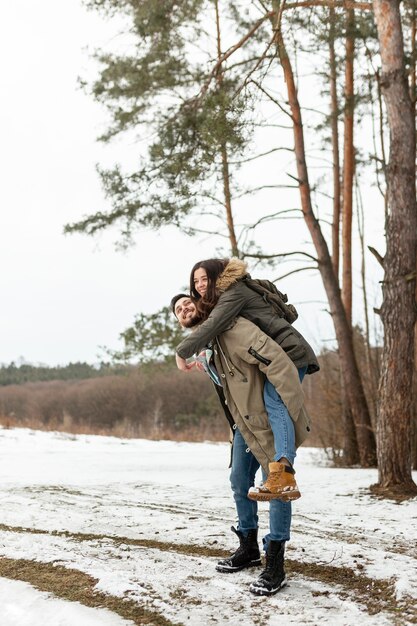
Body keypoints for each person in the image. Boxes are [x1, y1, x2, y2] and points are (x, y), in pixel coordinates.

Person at [171, 294, 311, 596]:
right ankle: (248, 546)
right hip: (242, 425)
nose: (184, 310)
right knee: (238, 481)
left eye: (187, 304)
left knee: (276, 485)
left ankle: (275, 562)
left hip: (264, 418)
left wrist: (285, 403)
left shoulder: (229, 327)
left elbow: (269, 358)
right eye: (179, 311)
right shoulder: (208, 347)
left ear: (201, 306)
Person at [175, 258, 318, 499]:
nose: (199, 285)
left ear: (217, 276)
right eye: (195, 281)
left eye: (204, 279)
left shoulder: (233, 292)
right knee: (273, 403)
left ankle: (283, 471)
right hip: (276, 355)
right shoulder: (228, 294)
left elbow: (214, 323)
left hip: (288, 352)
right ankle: (281, 474)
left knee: (275, 402)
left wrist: (182, 351)